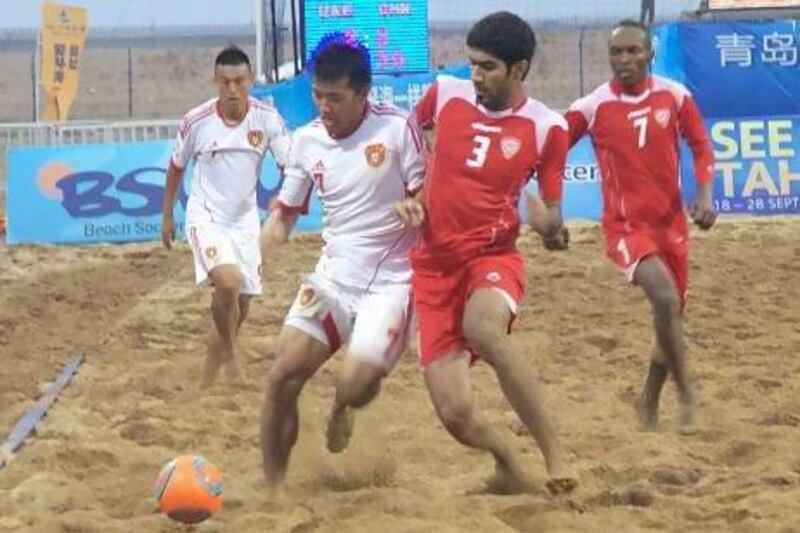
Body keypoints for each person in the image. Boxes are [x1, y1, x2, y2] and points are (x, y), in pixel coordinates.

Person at [396, 11, 577, 494]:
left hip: (491, 259)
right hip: (433, 269)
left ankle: (556, 456)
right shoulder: (445, 94)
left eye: (488, 67)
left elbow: (551, 211)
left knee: (485, 329)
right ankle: (504, 457)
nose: (475, 75)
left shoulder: (546, 127)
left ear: (519, 70)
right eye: (472, 63)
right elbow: (408, 141)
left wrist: (546, 225)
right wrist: (413, 193)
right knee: (455, 415)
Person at [260, 33, 425, 487]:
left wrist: (419, 205)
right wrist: (254, 255)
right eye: (316, 95)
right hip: (333, 277)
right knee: (282, 377)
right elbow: (283, 218)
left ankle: (342, 406)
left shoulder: (396, 128)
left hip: (393, 284)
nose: (323, 107)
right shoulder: (306, 140)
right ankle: (274, 490)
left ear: (363, 94)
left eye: (334, 97)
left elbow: (425, 191)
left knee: (355, 384)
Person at [565, 20, 716, 432]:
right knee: (665, 301)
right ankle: (687, 393)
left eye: (633, 51)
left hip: (672, 225)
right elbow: (552, 145)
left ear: (649, 54)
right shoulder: (594, 106)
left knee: (668, 318)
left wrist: (704, 195)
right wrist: (543, 200)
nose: (624, 60)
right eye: (617, 53)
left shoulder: (675, 95)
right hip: (626, 228)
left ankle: (647, 400)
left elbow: (701, 146)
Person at [161, 46, 291, 389]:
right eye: (225, 82)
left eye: (239, 81)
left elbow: (290, 166)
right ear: (215, 82)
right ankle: (233, 361)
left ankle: (206, 379)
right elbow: (176, 168)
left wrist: (286, 197)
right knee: (229, 283)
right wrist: (166, 217)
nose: (232, 89)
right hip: (206, 217)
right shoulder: (196, 121)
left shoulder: (267, 119)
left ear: (250, 81)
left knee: (241, 303)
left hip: (246, 220)